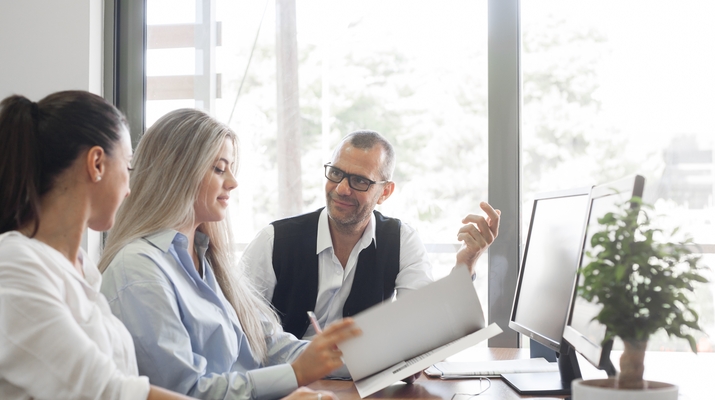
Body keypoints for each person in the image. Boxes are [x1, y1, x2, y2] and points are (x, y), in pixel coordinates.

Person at [98, 108, 359, 400]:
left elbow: (270, 346)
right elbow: (184, 392)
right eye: (220, 169)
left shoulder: (208, 260)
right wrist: (296, 375)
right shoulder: (138, 270)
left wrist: (372, 359)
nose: (233, 182)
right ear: (178, 173)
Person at [0, 90, 197, 400]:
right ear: (96, 164)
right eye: (128, 167)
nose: (129, 189)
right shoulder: (14, 264)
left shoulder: (82, 270)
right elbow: (106, 392)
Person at [241, 130, 501, 340]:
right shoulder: (274, 240)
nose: (342, 189)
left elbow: (424, 326)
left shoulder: (402, 241)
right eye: (336, 173)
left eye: (359, 181)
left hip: (368, 386)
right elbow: (241, 328)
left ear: (385, 193)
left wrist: (465, 263)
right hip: (291, 383)